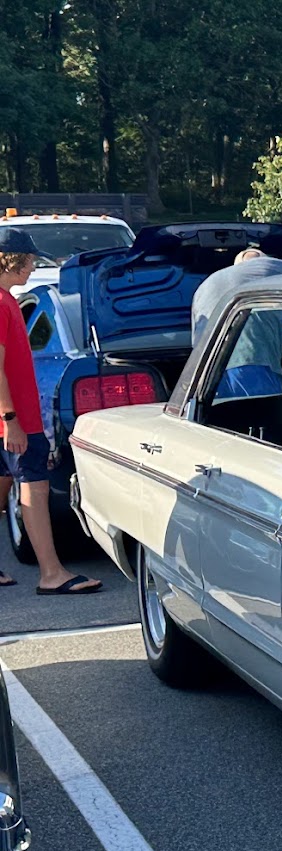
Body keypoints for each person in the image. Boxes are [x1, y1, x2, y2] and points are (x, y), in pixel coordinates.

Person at [0, 228, 100, 594]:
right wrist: (11, 419)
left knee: (10, 486)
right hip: (16, 420)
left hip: (8, 420)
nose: (31, 267)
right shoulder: (1, 302)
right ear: (13, 260)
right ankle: (51, 574)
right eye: (28, 261)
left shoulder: (8, 300)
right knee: (34, 491)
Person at [190, 247, 282, 397]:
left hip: (206, 370)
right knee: (260, 415)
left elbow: (195, 339)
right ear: (263, 258)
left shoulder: (204, 287)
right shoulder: (277, 267)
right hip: (250, 361)